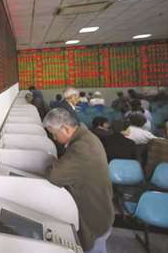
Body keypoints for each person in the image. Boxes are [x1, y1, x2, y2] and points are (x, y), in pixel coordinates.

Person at [43, 108, 114, 253]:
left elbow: (54, 176)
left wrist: (51, 162)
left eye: (54, 134)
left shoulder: (81, 148)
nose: (54, 139)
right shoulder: (86, 136)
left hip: (94, 219)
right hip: (101, 212)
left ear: (65, 128)